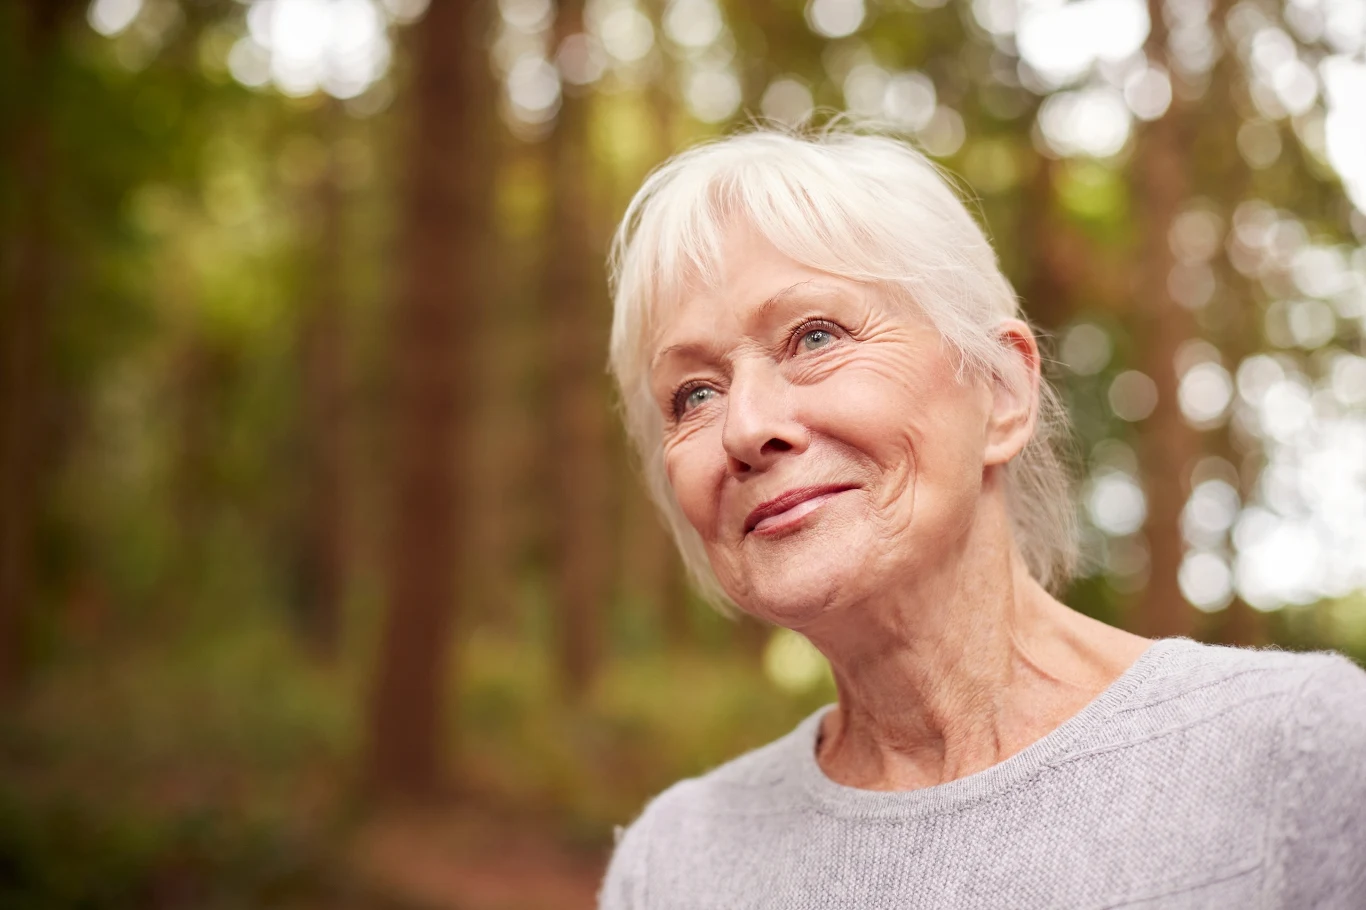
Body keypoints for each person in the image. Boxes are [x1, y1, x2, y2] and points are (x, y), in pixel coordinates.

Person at [595, 125, 1366, 910]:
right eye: (695, 393)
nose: (744, 427)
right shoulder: (674, 863)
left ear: (1001, 391)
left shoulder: (1300, 756)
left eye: (815, 336)